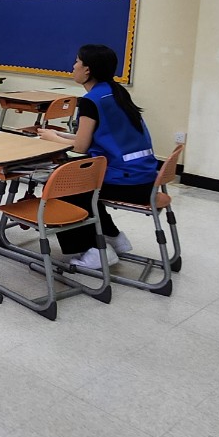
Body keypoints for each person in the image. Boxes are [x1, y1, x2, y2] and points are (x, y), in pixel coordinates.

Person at [37, 43, 158, 270]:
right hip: (146, 177)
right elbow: (93, 137)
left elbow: (81, 147)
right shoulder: (115, 92)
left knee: (62, 187)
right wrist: (59, 135)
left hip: (127, 181)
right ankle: (113, 237)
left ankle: (93, 251)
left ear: (88, 70)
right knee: (83, 187)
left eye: (77, 61)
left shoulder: (91, 100)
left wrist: (53, 138)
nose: (73, 66)